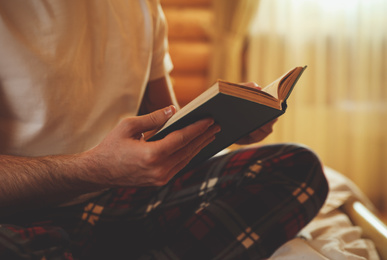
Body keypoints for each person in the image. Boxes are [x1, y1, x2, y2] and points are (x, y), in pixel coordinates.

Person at [0, 1, 328, 259]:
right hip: (19, 215)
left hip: (119, 199)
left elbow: (168, 119)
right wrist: (94, 168)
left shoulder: (142, 6)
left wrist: (226, 123)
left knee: (298, 169)